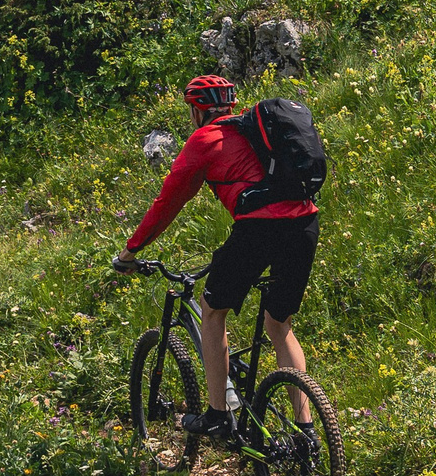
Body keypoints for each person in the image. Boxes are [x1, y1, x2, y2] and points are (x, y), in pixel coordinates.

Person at [119, 73, 317, 439]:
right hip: (305, 224)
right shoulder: (255, 133)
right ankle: (307, 433)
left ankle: (217, 415)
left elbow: (168, 203)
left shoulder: (204, 139)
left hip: (259, 230)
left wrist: (132, 250)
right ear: (230, 104)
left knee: (213, 309)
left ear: (197, 111)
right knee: (279, 324)